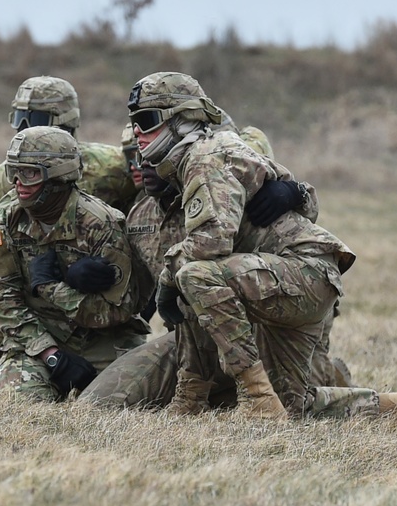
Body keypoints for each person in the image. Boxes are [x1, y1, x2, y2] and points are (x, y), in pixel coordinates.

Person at [103, 71, 397, 420]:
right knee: (295, 405)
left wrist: (165, 282)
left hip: (300, 273)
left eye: (146, 121)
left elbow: (210, 245)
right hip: (294, 278)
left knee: (193, 275)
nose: (137, 133)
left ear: (182, 119)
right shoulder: (206, 157)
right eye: (134, 123)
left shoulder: (205, 157)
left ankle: (254, 400)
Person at [81, 114, 325, 410]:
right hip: (196, 343)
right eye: (135, 155)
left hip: (263, 324)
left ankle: (318, 371)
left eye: (151, 153)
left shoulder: (223, 192)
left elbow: (302, 253)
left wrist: (297, 193)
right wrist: (75, 279)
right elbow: (135, 299)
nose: (142, 163)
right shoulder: (139, 217)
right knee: (98, 401)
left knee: (295, 405)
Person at [0, 76, 139, 347]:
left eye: (32, 118)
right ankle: (28, 351)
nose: (22, 128)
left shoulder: (111, 167)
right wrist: (34, 272)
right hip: (34, 276)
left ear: (64, 121)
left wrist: (118, 259)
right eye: (18, 118)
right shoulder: (3, 179)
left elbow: (147, 215)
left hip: (99, 283)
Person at [0, 126, 152, 402]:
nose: (18, 182)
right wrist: (50, 355)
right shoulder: (6, 218)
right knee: (20, 401)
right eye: (14, 172)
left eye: (30, 173)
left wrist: (52, 286)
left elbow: (118, 312)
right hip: (40, 337)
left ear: (58, 176)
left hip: (104, 341)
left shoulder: (101, 223)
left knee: (118, 403)